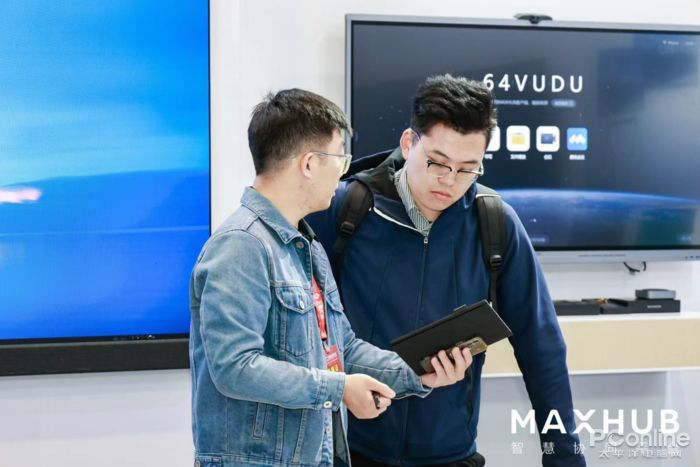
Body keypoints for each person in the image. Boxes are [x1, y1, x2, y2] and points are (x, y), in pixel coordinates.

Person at [307, 75, 586, 467]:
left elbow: (542, 349)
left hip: (451, 453)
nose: (449, 181)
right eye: (437, 162)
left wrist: (565, 459)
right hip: (351, 450)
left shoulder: (495, 224)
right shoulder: (345, 209)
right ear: (409, 143)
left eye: (467, 169)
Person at [188, 88, 473, 467]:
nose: (343, 172)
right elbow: (235, 367)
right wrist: (338, 389)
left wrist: (418, 373)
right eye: (340, 158)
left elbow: (342, 349)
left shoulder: (306, 245)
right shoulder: (241, 245)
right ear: (309, 163)